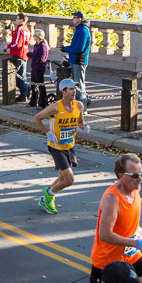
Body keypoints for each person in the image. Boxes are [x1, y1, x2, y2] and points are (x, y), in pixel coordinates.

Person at [76, 153, 142, 283]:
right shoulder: (112, 199)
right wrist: (138, 242)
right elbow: (105, 235)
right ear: (121, 176)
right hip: (108, 258)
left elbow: (128, 218)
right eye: (135, 175)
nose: (140, 179)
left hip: (130, 253)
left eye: (141, 173)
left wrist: (138, 229)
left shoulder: (135, 190)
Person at [34, 78, 89, 214]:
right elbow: (37, 118)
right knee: (69, 180)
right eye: (71, 89)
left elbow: (81, 122)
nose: (74, 91)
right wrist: (48, 133)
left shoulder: (79, 105)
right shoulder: (55, 107)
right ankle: (49, 195)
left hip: (69, 146)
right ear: (63, 91)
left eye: (75, 89)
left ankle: (45, 199)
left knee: (62, 177)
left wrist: (84, 127)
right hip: (56, 147)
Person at [61, 11, 91, 110]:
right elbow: (75, 46)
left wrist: (67, 49)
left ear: (80, 19)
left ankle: (83, 109)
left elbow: (79, 48)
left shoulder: (83, 30)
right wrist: (67, 48)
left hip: (79, 61)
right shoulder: (79, 29)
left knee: (79, 86)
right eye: (73, 17)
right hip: (75, 60)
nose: (73, 19)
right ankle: (79, 108)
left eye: (75, 17)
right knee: (76, 85)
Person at [6, 12, 31, 102]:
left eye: (17, 19)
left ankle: (24, 94)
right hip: (24, 54)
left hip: (18, 54)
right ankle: (26, 90)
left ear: (21, 20)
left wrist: (8, 46)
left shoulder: (20, 30)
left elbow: (17, 44)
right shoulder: (27, 30)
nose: (16, 20)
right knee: (22, 75)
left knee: (18, 76)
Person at [27, 28, 50, 108]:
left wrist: (31, 55)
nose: (34, 37)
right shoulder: (36, 45)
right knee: (33, 84)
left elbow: (41, 58)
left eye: (35, 36)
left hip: (39, 67)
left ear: (39, 37)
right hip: (34, 66)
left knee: (40, 85)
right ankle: (33, 101)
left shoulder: (43, 46)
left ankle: (42, 102)